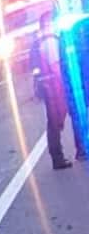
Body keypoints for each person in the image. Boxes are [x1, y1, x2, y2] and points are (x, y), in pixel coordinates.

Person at [33, 9, 86, 169]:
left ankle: (72, 153)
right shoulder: (50, 40)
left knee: (57, 122)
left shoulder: (39, 40)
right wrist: (65, 85)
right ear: (49, 23)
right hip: (55, 87)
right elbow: (56, 66)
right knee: (59, 121)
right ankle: (65, 156)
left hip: (49, 86)